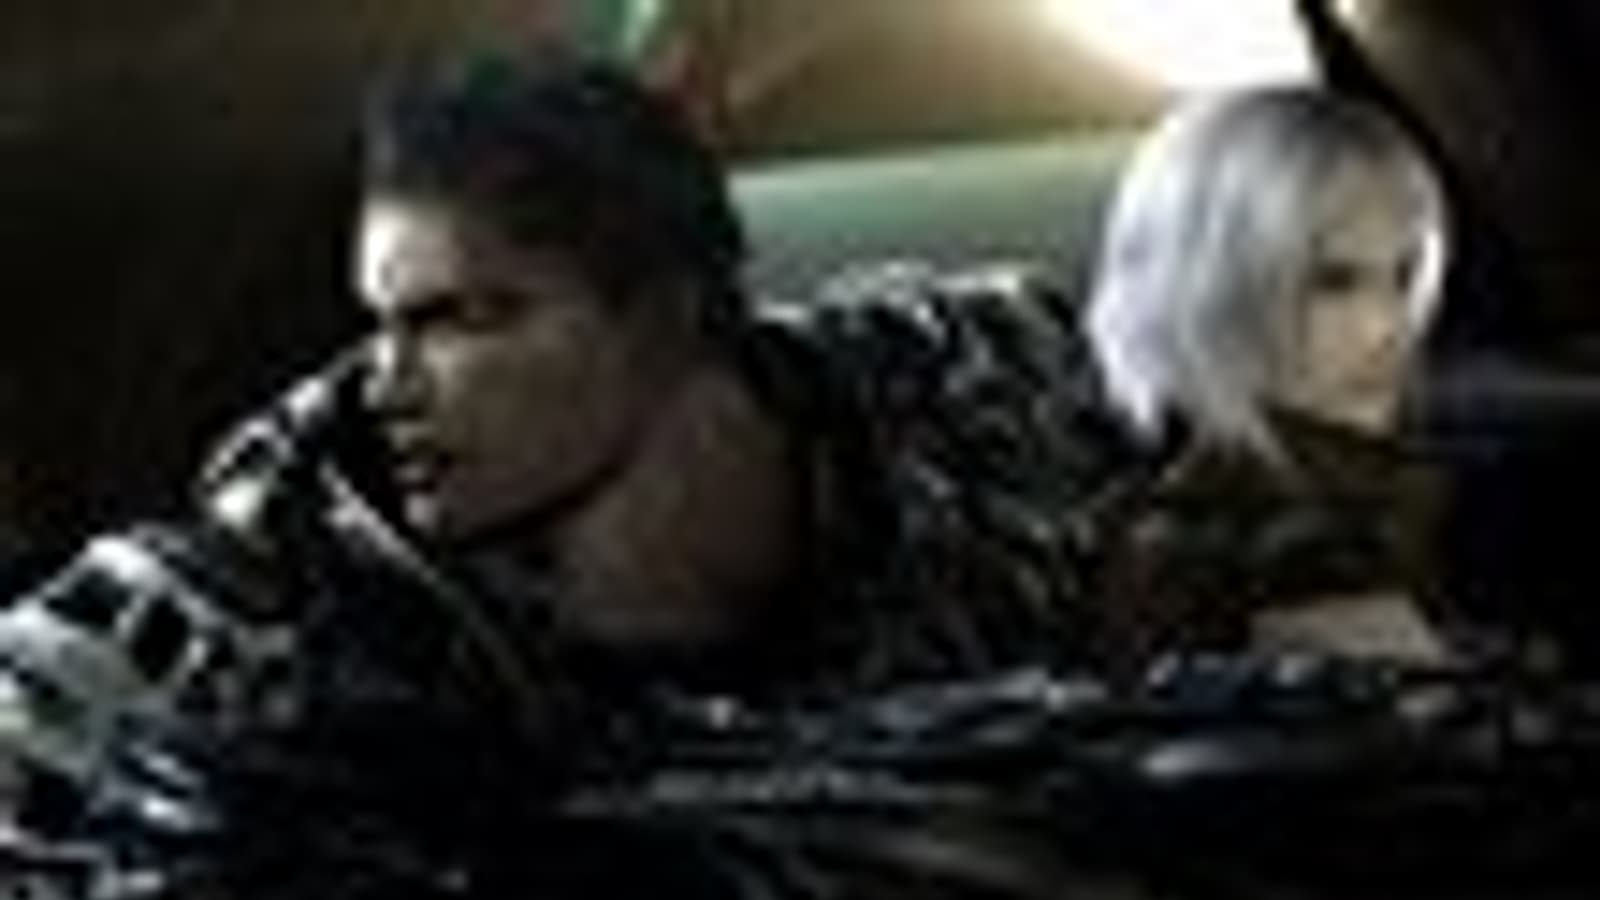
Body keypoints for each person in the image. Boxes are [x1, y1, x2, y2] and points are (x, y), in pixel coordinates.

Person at [0, 52, 1137, 898]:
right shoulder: (274, 593)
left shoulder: (968, 391)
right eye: (385, 321)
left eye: (470, 318)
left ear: (668, 316)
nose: (391, 381)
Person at [1081, 86, 1454, 666]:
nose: (1388, 326)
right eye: (1333, 283)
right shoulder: (1254, 551)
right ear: (1209, 291)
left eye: (1404, 277)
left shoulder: (1357, 501)